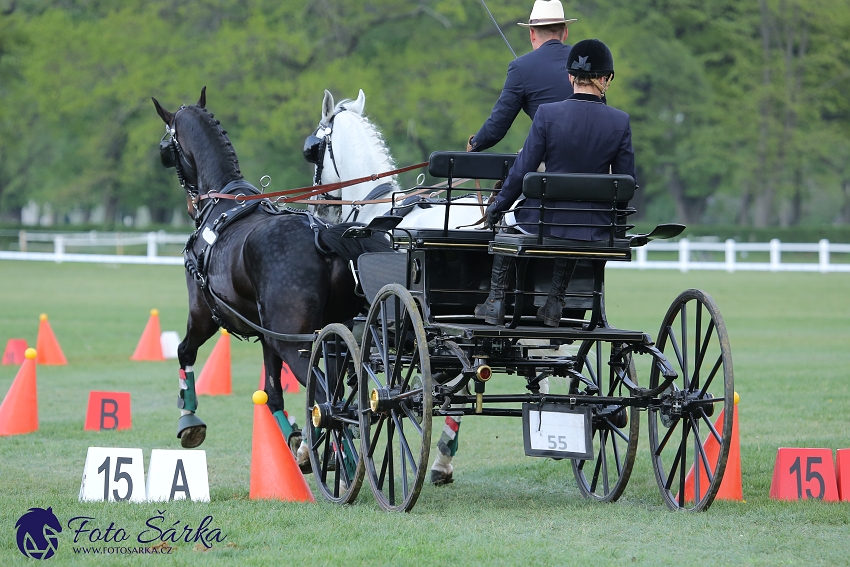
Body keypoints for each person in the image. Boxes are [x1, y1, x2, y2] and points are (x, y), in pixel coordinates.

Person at [475, 38, 636, 327]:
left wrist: (498, 205)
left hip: (543, 221)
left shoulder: (548, 114)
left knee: (505, 225)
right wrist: (614, 223)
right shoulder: (620, 121)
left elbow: (523, 168)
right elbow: (627, 182)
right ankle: (554, 302)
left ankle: (496, 301)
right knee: (577, 229)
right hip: (594, 225)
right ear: (606, 79)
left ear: (570, 76)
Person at [466, 0, 576, 153]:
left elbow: (498, 125)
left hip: (552, 163)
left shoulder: (520, 67)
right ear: (565, 32)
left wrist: (474, 144)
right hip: (596, 160)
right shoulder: (585, 61)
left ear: (531, 33)